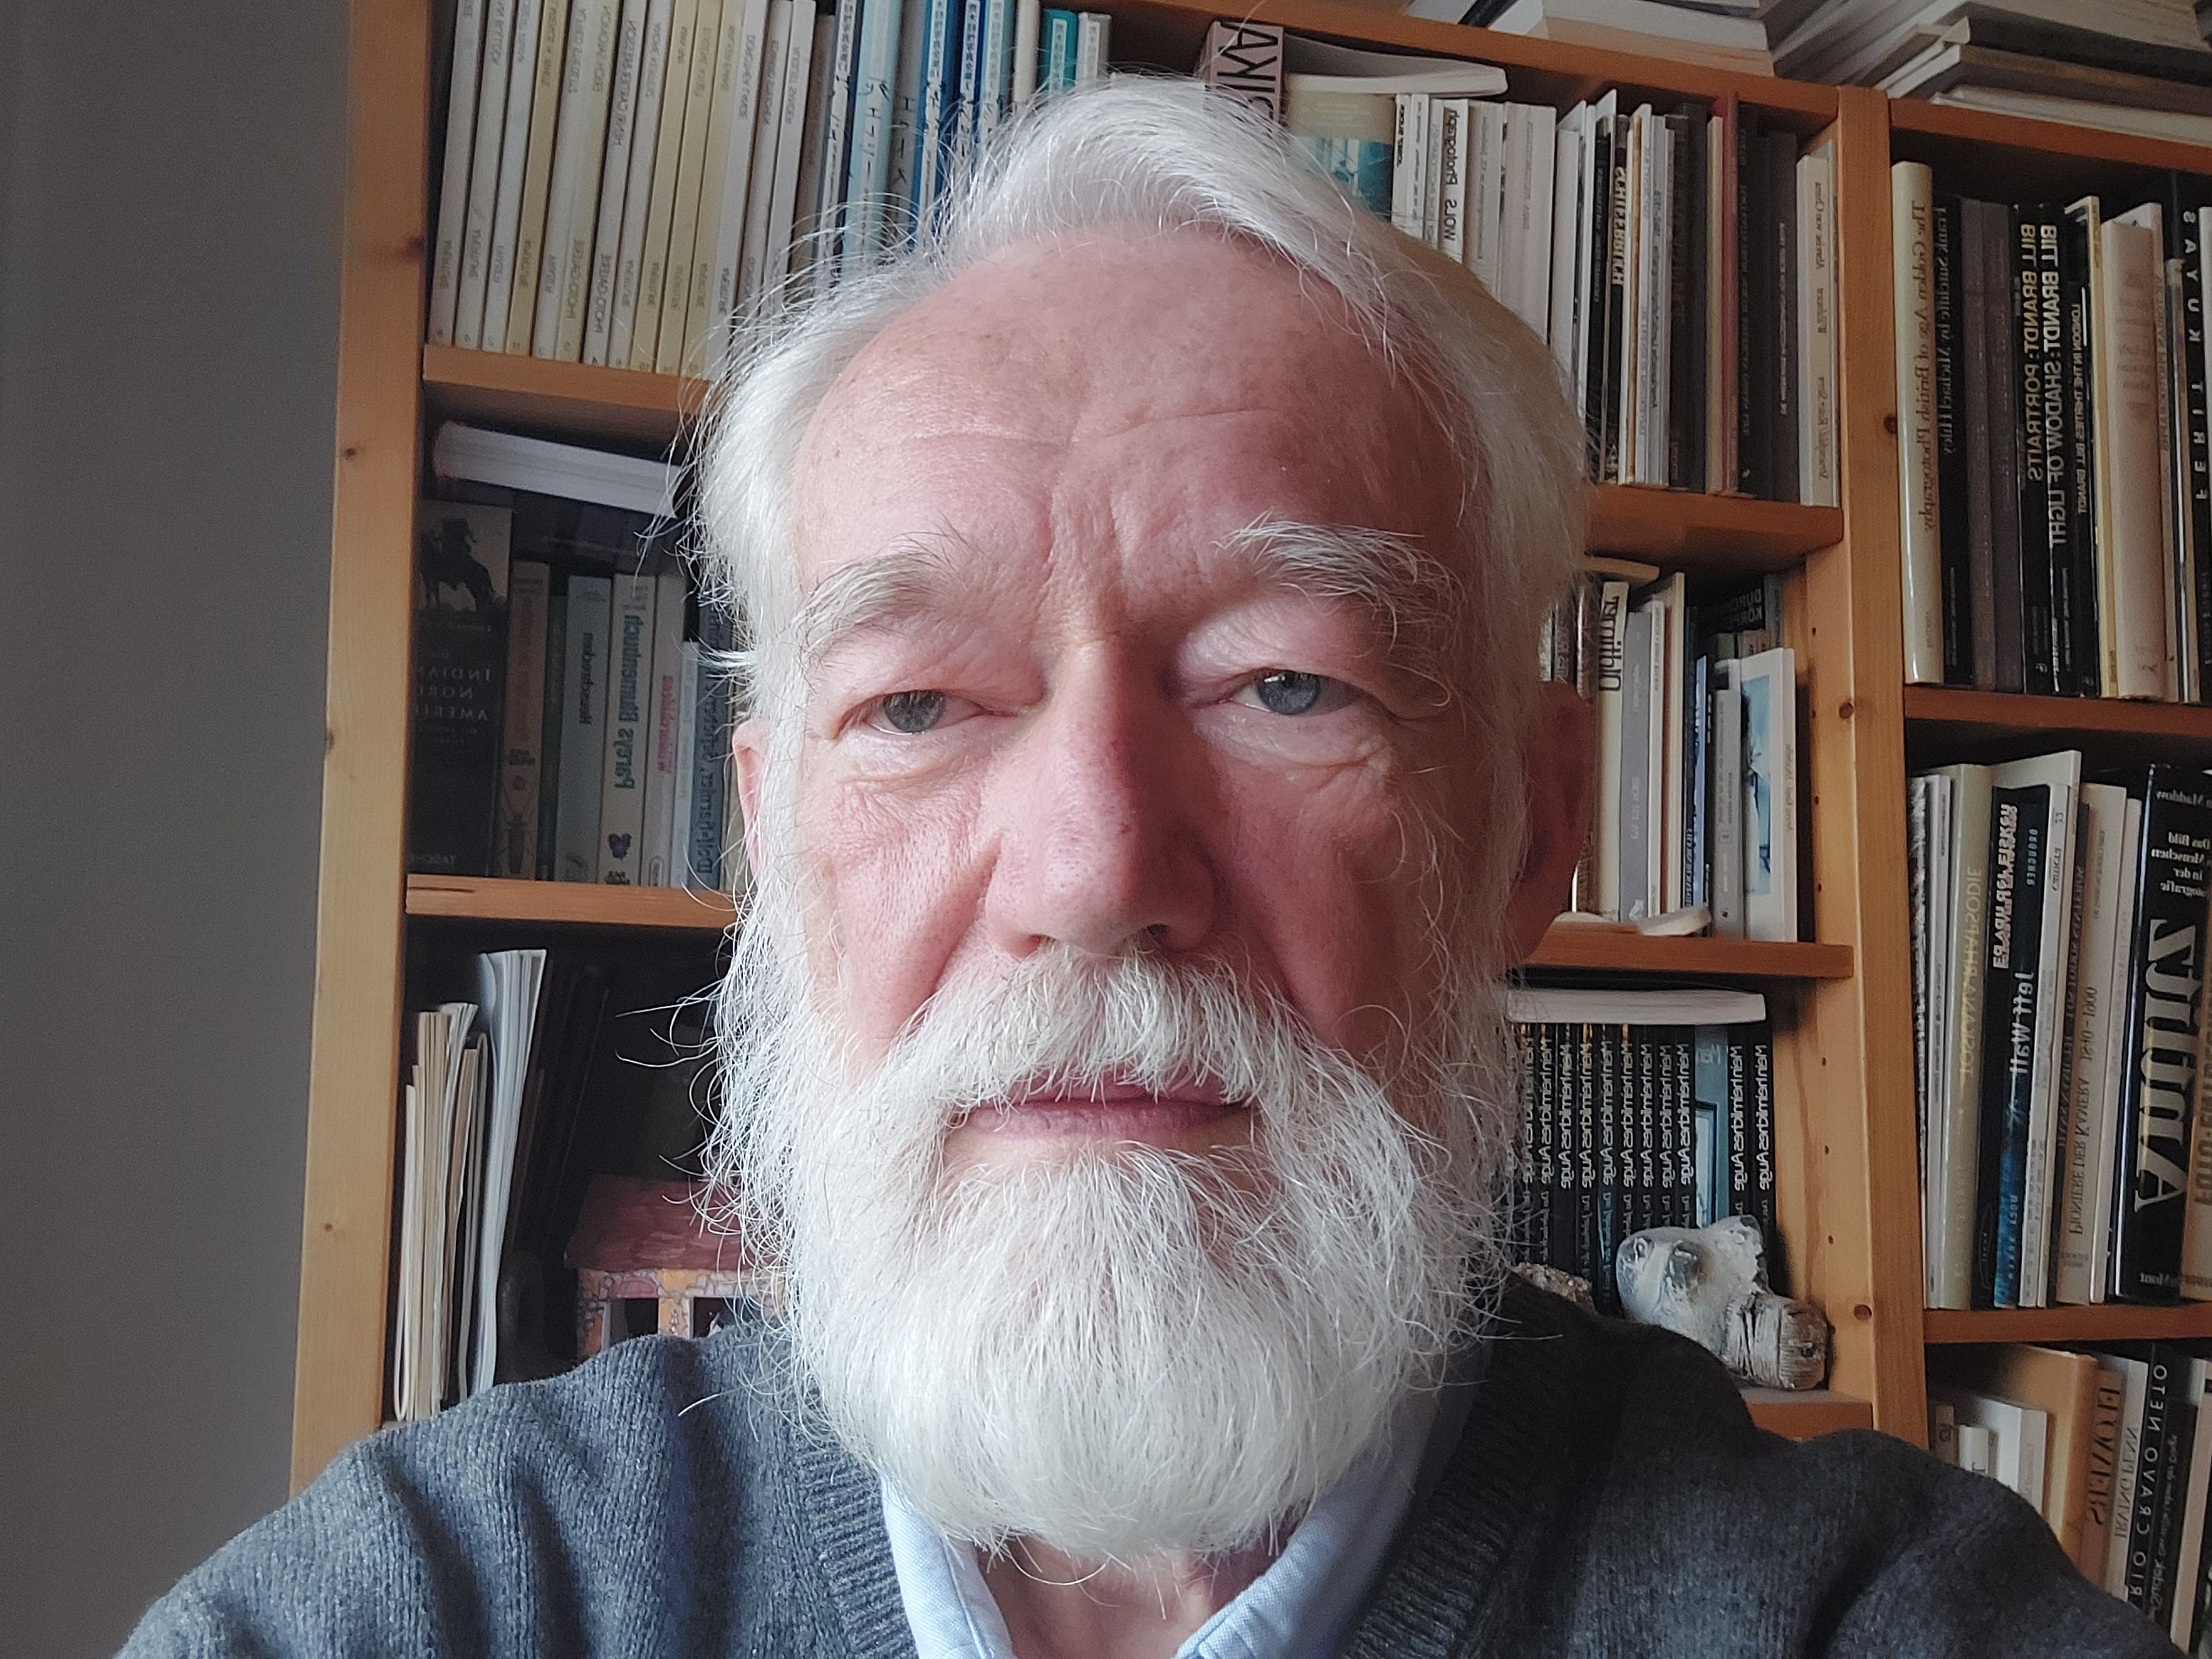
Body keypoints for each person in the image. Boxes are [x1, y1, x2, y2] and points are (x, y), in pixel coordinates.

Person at [124, 80, 2169, 1659]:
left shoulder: (1871, 1617)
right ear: (770, 837)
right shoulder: (436, 1601)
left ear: (1532, 828)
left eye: (1286, 684)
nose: (1095, 869)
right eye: (919, 705)